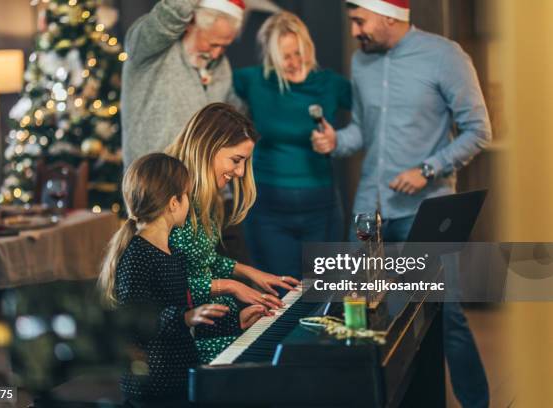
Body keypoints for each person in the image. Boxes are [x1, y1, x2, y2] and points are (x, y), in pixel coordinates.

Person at [311, 1, 491, 407]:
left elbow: (478, 130)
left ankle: (477, 403)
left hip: (425, 211)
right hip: (368, 212)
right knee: (358, 315)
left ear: (389, 15)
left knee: (444, 318)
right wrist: (337, 142)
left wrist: (427, 168)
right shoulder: (362, 63)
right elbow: (362, 132)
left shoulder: (445, 57)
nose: (355, 30)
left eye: (360, 21)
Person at [98, 153, 267, 405]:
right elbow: (135, 320)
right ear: (174, 203)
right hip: (152, 385)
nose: (189, 202)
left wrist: (235, 322)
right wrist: (185, 317)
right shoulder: (137, 255)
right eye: (187, 195)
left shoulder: (173, 253)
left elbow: (185, 319)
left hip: (178, 378)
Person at [166, 103, 300, 363]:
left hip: (207, 329)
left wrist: (250, 273)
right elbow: (164, 290)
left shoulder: (203, 197)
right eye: (236, 160)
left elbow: (202, 259)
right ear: (208, 146)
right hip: (182, 346)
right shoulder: (171, 202)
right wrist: (230, 285)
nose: (240, 172)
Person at [233, 11, 352, 280]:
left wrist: (338, 140)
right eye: (285, 56)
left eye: (300, 52)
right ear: (270, 56)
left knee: (323, 292)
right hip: (267, 210)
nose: (295, 62)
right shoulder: (254, 81)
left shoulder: (330, 84)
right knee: (280, 293)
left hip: (321, 209)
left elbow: (373, 116)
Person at [121, 0, 247, 168]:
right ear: (190, 23)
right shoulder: (149, 50)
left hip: (200, 182)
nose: (217, 53)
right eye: (213, 44)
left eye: (224, 46)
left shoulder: (221, 66)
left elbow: (230, 114)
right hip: (152, 180)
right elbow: (169, 15)